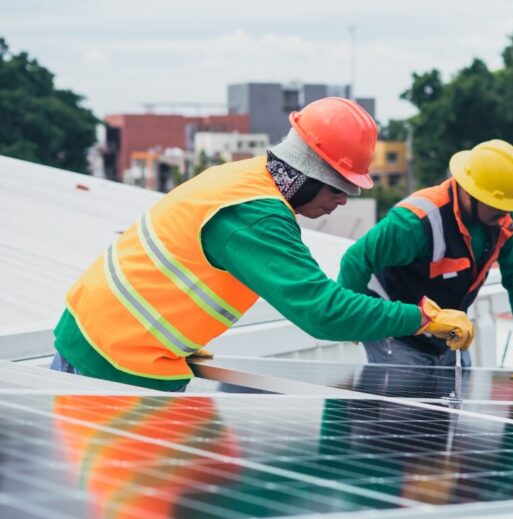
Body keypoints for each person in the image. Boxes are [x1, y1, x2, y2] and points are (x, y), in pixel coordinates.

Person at [49, 97, 474, 391]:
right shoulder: (256, 215)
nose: (343, 200)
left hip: (107, 340)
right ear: (310, 171)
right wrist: (419, 318)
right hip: (112, 359)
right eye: (340, 186)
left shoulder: (245, 178)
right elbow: (321, 312)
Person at [338, 139, 513, 385]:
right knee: (405, 412)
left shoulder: (504, 223)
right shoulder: (416, 221)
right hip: (398, 334)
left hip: (449, 334)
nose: (505, 214)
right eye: (498, 205)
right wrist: (352, 320)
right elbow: (355, 260)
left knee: (449, 411)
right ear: (469, 192)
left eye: (509, 206)